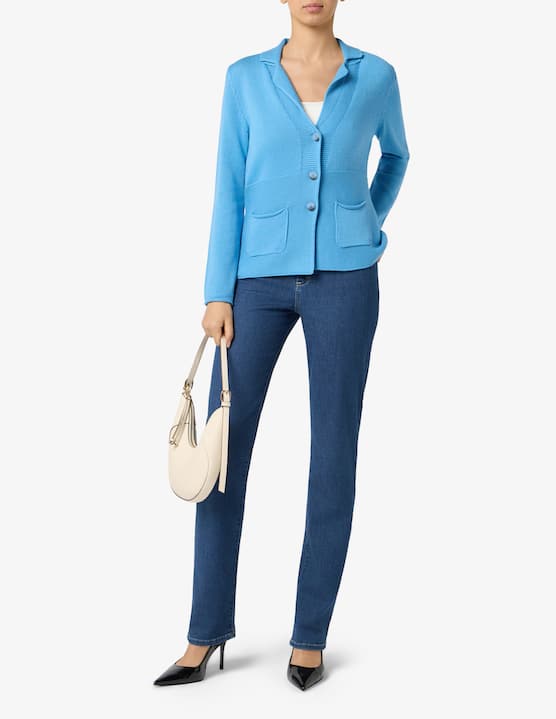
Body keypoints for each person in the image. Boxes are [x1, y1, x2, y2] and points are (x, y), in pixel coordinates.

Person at [154, 0, 410, 691]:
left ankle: (309, 636)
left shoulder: (377, 76)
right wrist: (217, 292)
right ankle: (204, 631)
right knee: (222, 453)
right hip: (255, 282)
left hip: (347, 281)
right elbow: (228, 185)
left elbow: (397, 155)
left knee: (333, 453)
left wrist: (365, 219)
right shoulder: (245, 78)